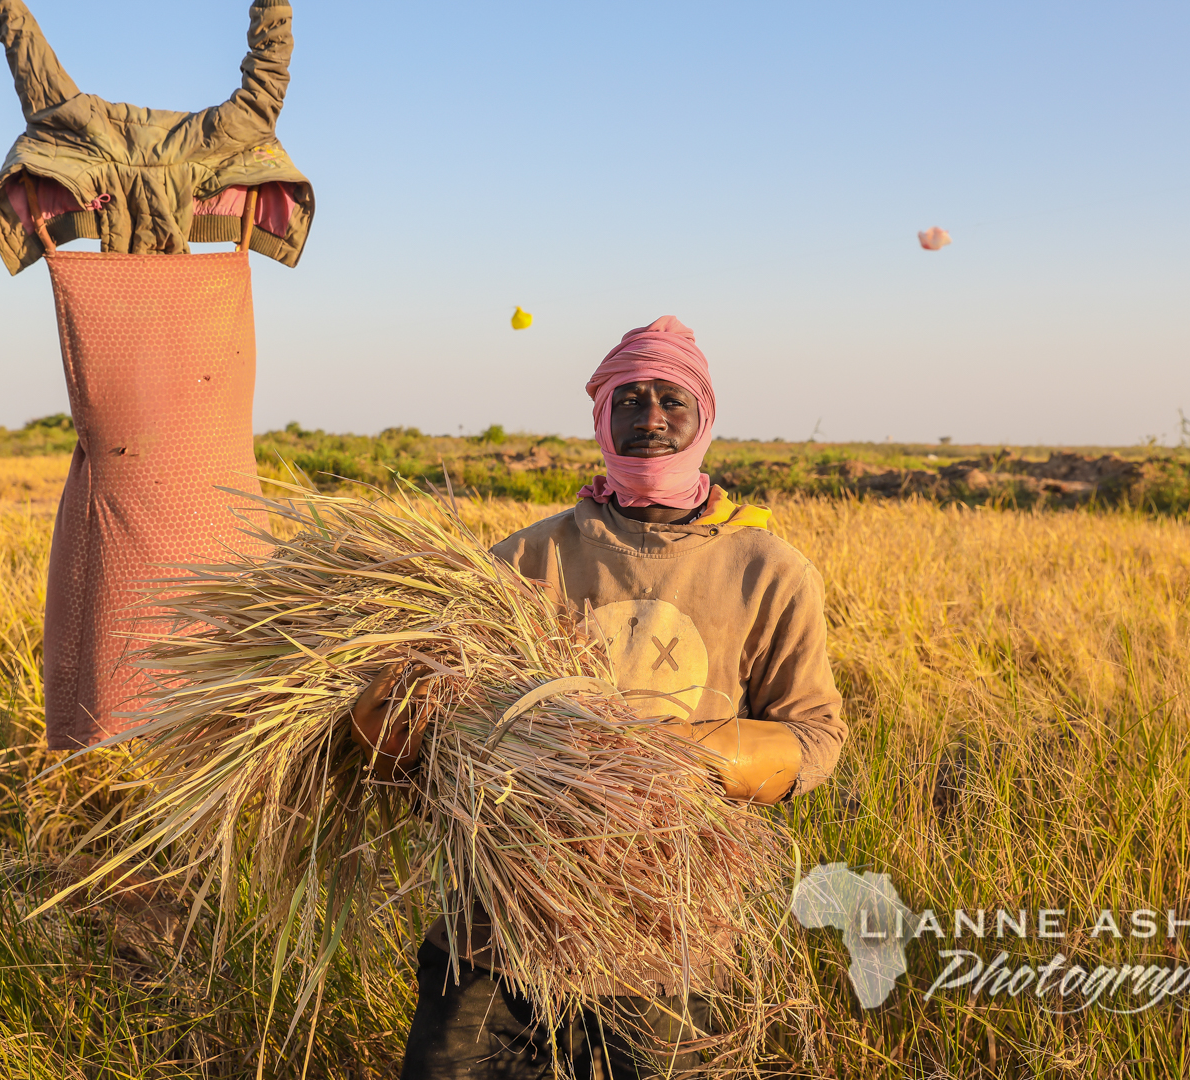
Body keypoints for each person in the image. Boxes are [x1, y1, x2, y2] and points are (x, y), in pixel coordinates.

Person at [352, 316, 848, 1079]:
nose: (650, 417)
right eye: (629, 400)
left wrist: (672, 756)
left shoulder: (767, 570)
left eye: (671, 400)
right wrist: (388, 712)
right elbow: (430, 729)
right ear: (600, 418)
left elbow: (814, 739)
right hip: (497, 933)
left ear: (704, 417)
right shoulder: (524, 557)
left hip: (667, 941)